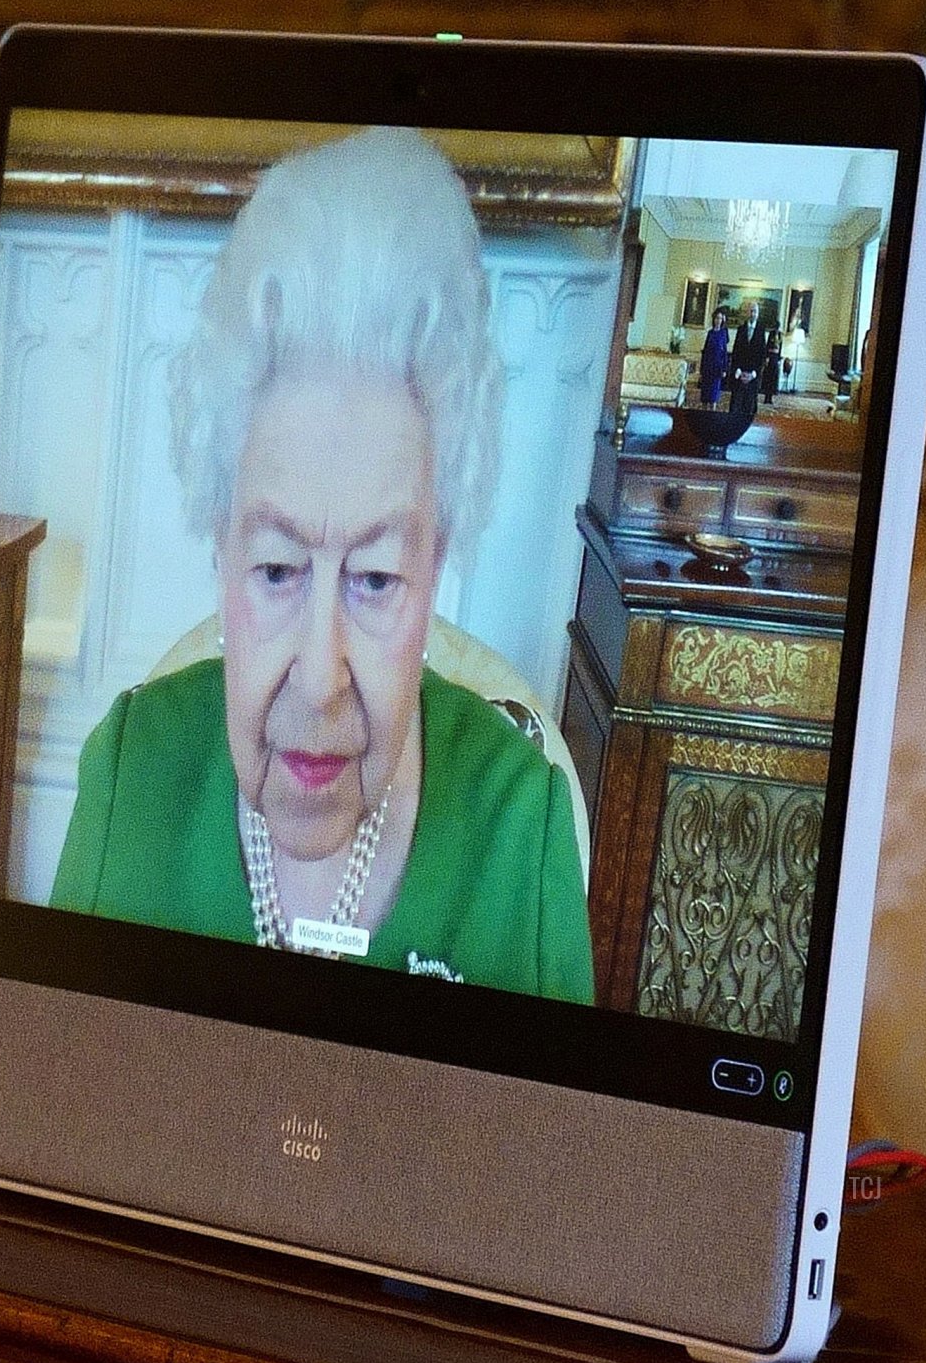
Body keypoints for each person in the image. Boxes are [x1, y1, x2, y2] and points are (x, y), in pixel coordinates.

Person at [50, 127, 594, 1006]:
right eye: (275, 569)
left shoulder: (519, 828)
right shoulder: (129, 776)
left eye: (375, 578)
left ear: (434, 567)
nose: (320, 678)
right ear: (220, 549)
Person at [729, 299, 767, 420]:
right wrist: (739, 372)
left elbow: (762, 355)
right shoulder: (741, 329)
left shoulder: (761, 331)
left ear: (758, 313)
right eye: (751, 311)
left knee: (749, 408)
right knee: (736, 406)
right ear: (747, 313)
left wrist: (753, 374)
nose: (753, 314)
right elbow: (736, 352)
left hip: (753, 375)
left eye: (755, 311)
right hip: (740, 374)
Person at [698, 307, 729, 406]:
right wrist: (702, 368)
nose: (718, 320)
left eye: (720, 318)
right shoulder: (710, 332)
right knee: (705, 393)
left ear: (722, 320)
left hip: (717, 367)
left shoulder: (724, 333)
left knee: (714, 394)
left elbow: (724, 352)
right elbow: (705, 350)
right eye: (716, 318)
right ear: (713, 319)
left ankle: (712, 410)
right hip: (708, 366)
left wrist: (724, 369)